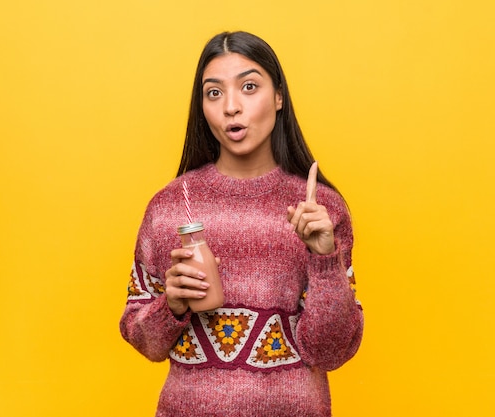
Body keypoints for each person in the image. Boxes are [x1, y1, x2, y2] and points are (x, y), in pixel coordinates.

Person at [119, 31, 363, 417]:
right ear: (202, 106)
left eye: (249, 87)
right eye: (214, 93)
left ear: (279, 97)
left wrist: (324, 260)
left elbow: (331, 352)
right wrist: (173, 305)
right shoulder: (169, 206)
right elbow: (142, 338)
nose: (231, 106)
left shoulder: (319, 209)